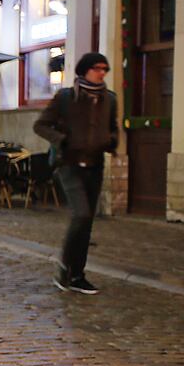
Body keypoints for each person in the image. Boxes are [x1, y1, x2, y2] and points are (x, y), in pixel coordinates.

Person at [33, 53, 118, 295]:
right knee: (81, 214)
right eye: (97, 68)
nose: (101, 73)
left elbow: (113, 127)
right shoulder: (66, 97)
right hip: (68, 164)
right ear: (84, 71)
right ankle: (64, 269)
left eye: (104, 69)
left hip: (95, 165)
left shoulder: (110, 99)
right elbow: (40, 125)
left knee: (87, 221)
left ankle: (78, 275)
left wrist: (111, 140)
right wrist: (61, 140)